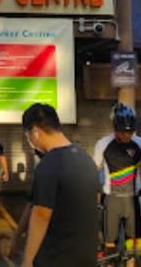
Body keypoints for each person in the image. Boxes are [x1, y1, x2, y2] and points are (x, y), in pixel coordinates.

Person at [21, 103, 99, 267]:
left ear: (35, 131)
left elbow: (41, 215)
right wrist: (16, 237)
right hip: (86, 256)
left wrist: (27, 261)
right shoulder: (86, 158)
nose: (30, 140)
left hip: (56, 258)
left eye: (28, 135)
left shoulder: (49, 163)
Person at [94, 103, 141, 260]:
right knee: (110, 246)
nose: (126, 136)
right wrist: (95, 195)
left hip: (132, 198)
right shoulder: (102, 144)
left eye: (130, 132)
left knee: (133, 246)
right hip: (111, 200)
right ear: (115, 127)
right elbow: (95, 169)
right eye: (123, 132)